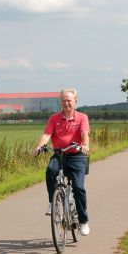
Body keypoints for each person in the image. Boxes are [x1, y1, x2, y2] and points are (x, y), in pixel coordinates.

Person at [33, 89, 90, 236]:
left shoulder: (82, 117)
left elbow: (84, 133)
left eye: (69, 100)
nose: (66, 103)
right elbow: (47, 134)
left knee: (78, 188)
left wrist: (84, 144)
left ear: (75, 101)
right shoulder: (54, 118)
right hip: (59, 154)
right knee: (50, 171)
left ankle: (83, 221)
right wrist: (40, 146)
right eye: (63, 101)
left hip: (77, 155)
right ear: (61, 102)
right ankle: (52, 202)